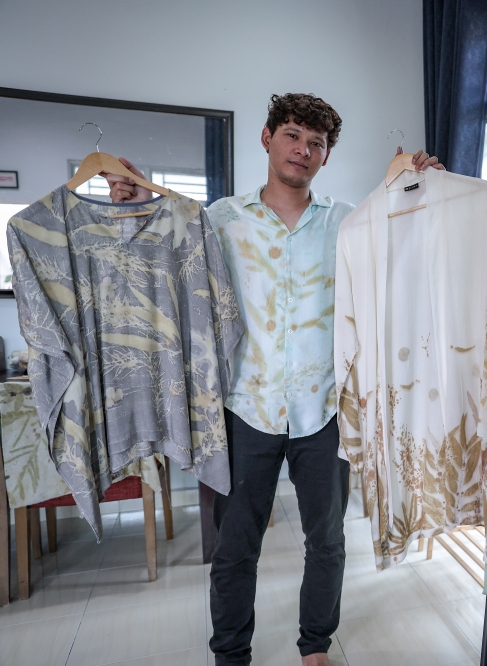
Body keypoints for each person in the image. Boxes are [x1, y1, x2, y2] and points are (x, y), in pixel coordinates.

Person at [105, 93, 444, 666]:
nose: (303, 150)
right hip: (246, 407)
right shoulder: (221, 220)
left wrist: (423, 188)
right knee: (236, 547)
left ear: (327, 156)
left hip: (324, 409)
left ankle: (315, 647)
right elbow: (160, 254)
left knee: (329, 541)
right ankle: (231, 654)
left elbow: (405, 240)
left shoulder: (347, 223)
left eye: (316, 143)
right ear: (267, 138)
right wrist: (136, 204)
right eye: (293, 136)